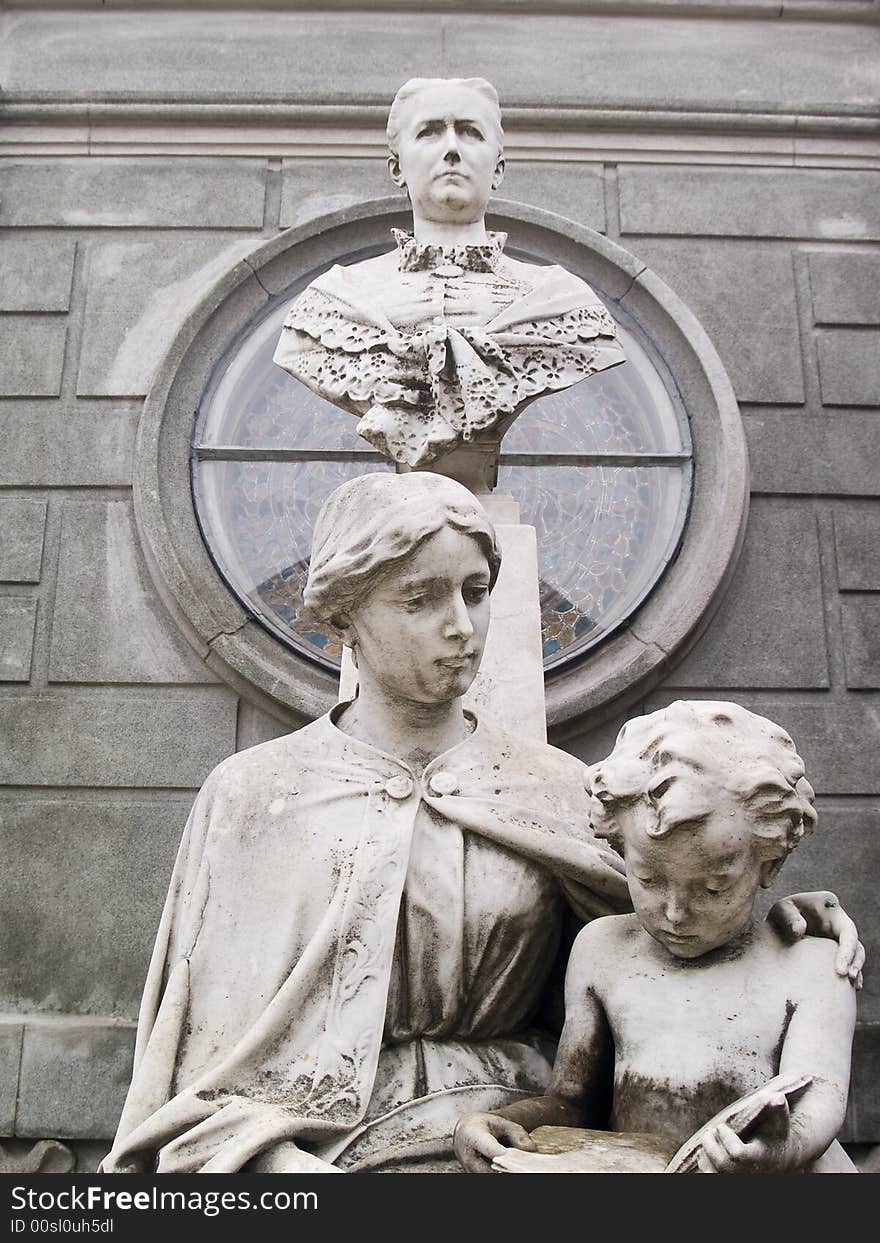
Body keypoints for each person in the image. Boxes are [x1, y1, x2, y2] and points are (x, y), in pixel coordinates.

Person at [101, 477, 862, 1174]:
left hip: (513, 1140)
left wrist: (767, 922)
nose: (460, 625)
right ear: (344, 615)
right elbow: (203, 1074)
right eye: (420, 598)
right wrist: (286, 1171)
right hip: (323, 1150)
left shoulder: (555, 788)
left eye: (476, 590)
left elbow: (660, 957)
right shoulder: (256, 795)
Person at [453, 701, 859, 1174]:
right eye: (647, 880)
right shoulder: (603, 951)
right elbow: (571, 1101)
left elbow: (821, 1101)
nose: (674, 912)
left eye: (713, 887)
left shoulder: (810, 967)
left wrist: (774, 1151)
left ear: (769, 863)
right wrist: (499, 1123)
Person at [273, 78, 625, 477]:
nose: (452, 149)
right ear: (397, 169)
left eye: (470, 133)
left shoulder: (560, 300)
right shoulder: (335, 302)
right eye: (430, 133)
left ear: (498, 169)